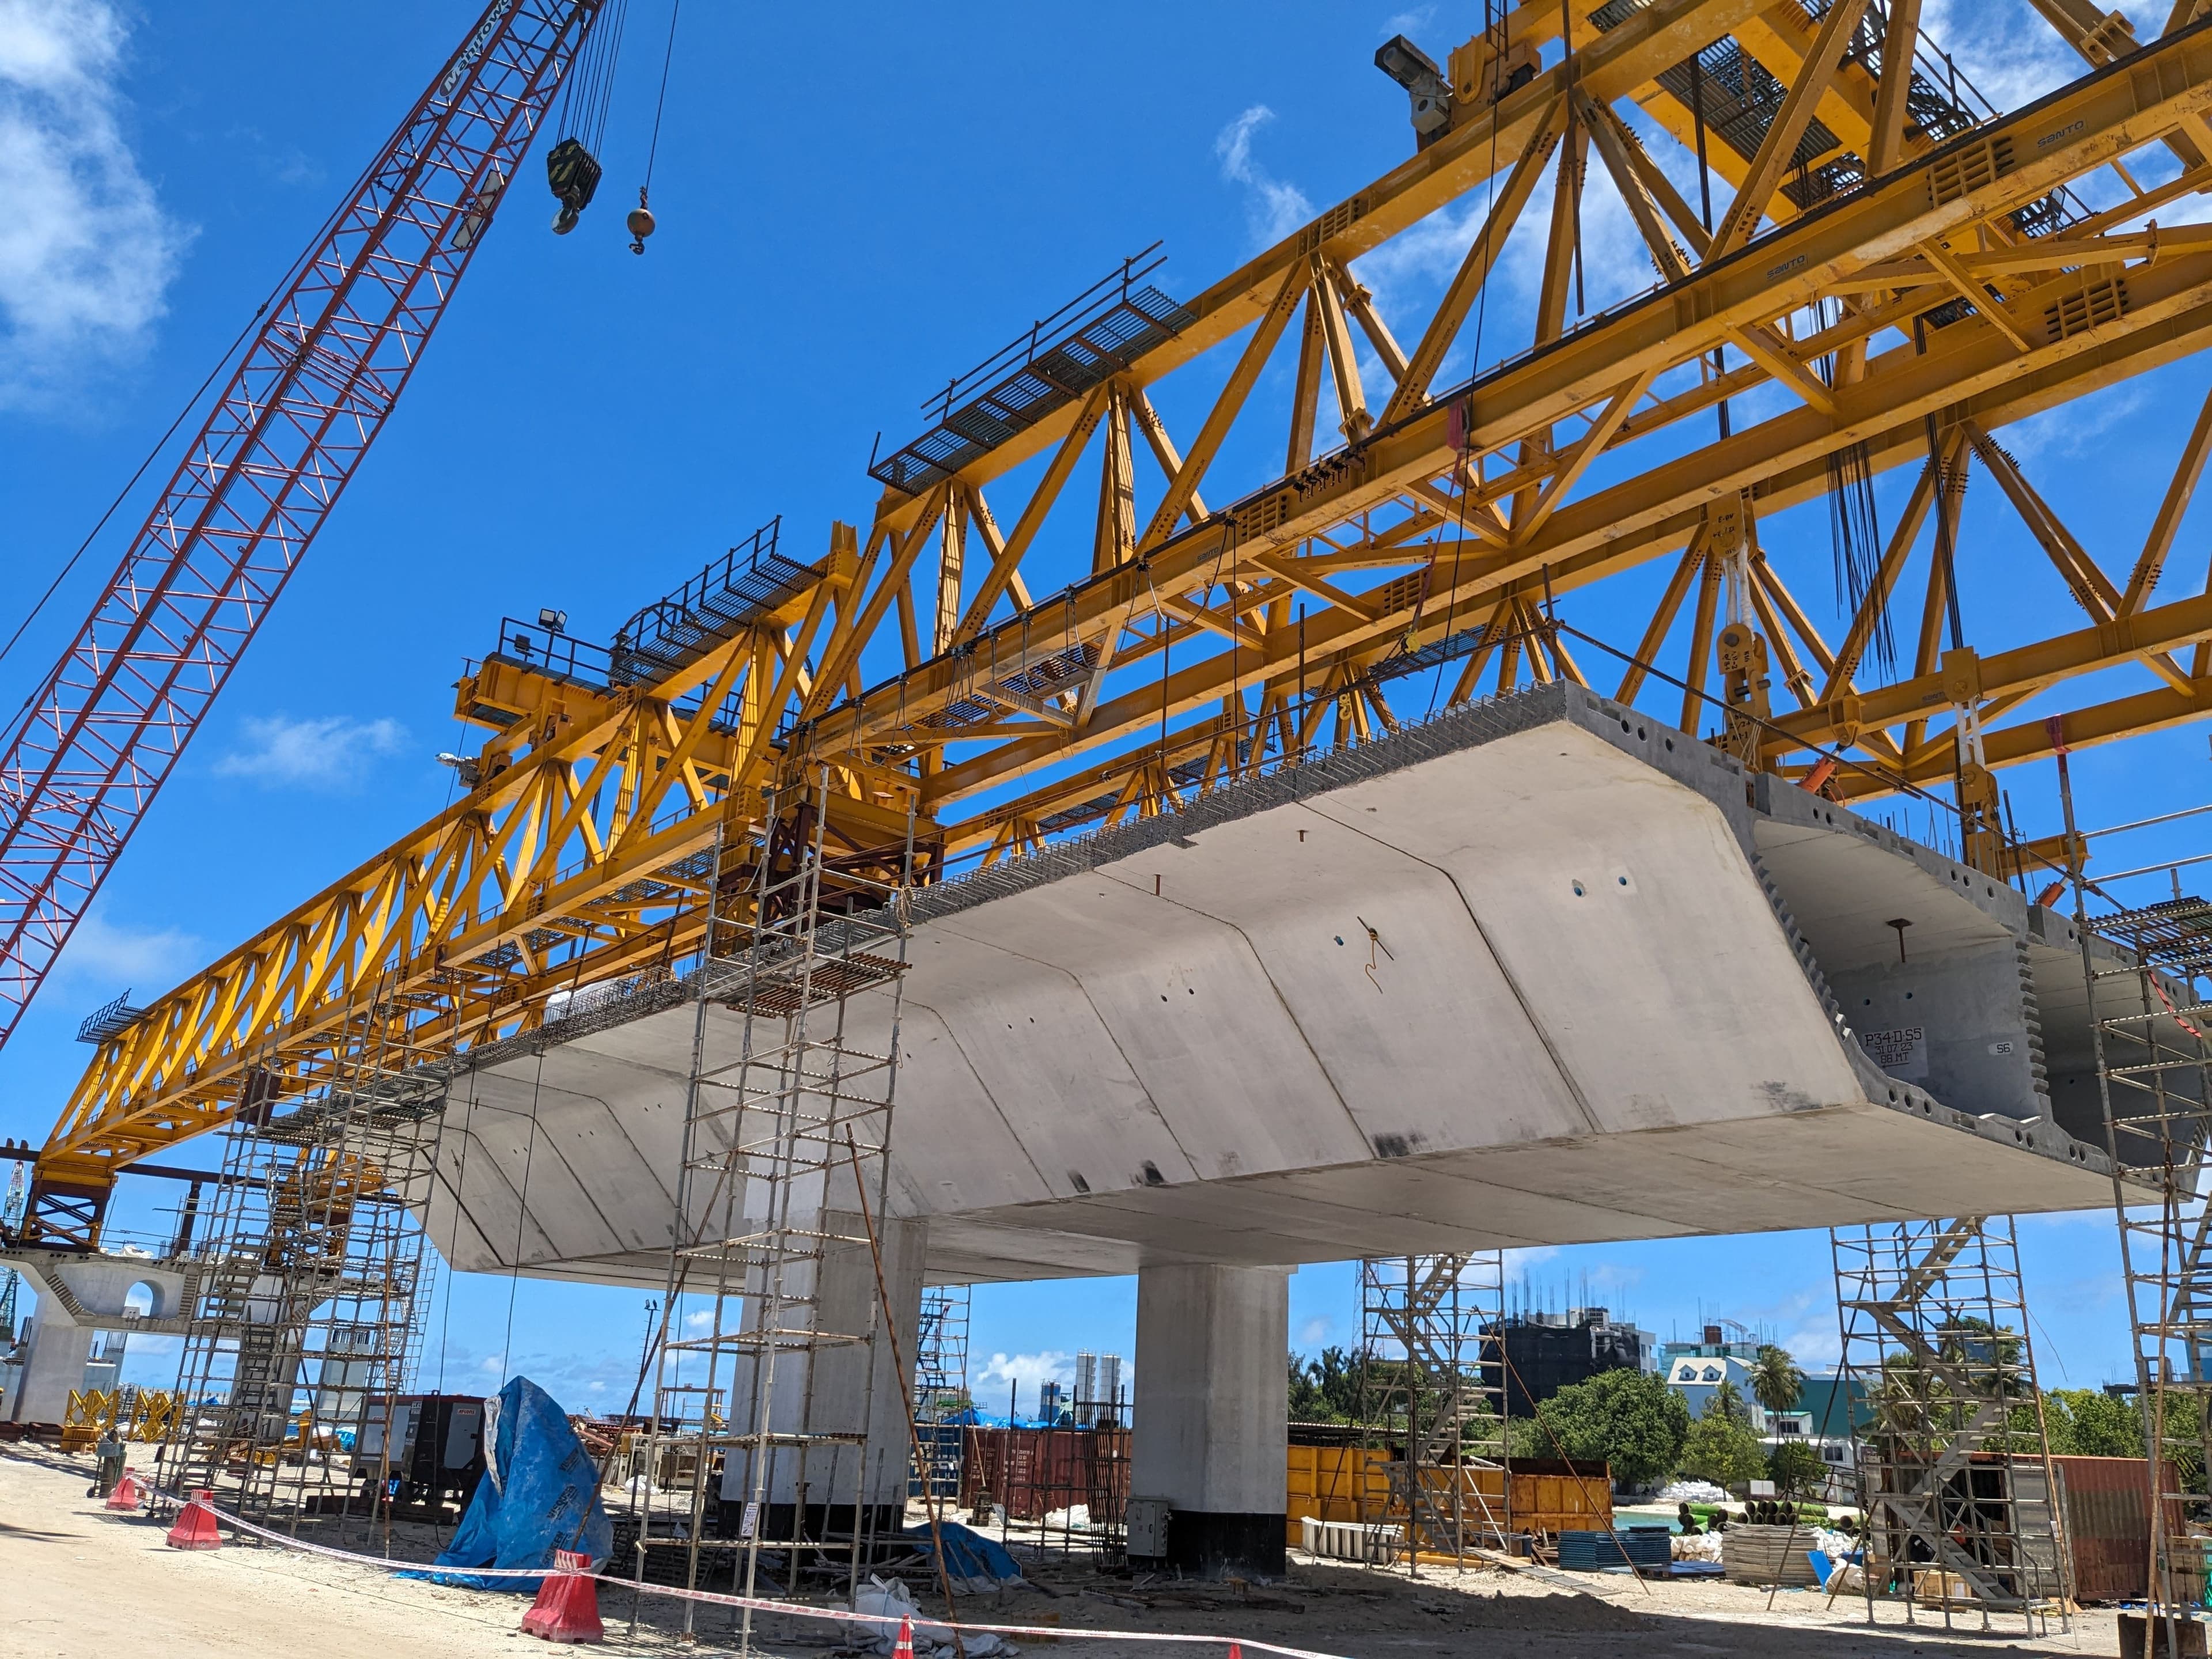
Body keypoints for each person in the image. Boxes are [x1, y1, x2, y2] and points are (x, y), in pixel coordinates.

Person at [92, 1430, 125, 1498]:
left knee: (112, 1471)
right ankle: (106, 1491)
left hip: (113, 1453)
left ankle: (108, 1490)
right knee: (109, 1471)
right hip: (111, 1453)